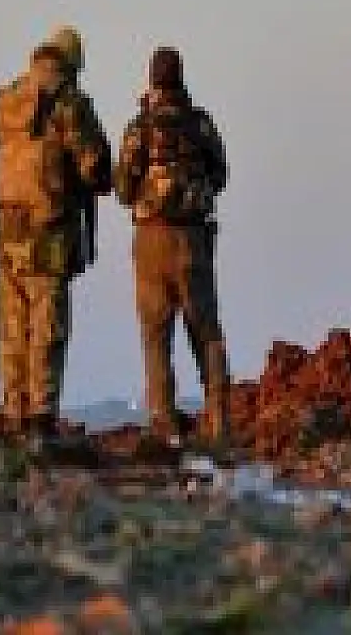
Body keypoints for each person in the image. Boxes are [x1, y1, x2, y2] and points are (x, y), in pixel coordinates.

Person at [0, 26, 112, 435]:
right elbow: (95, 167)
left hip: (8, 230)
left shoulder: (11, 97)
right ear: (72, 64)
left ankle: (13, 410)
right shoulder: (69, 103)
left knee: (13, 326)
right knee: (48, 327)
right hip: (50, 232)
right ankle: (41, 418)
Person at [114, 46, 231, 445]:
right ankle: (219, 419)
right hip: (193, 238)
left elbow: (123, 188)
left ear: (151, 79)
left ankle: (164, 423)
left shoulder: (139, 127)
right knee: (206, 330)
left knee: (155, 334)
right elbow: (220, 174)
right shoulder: (200, 123)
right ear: (180, 77)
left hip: (151, 239)